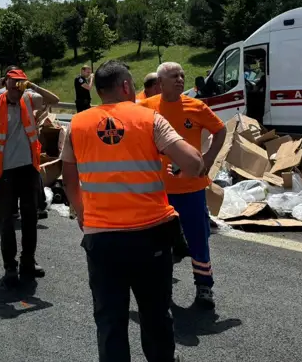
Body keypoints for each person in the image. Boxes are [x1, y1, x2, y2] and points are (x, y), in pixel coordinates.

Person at [63, 60, 204, 362]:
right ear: (127, 86)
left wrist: (80, 210)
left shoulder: (77, 124)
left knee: (110, 320)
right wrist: (181, 168)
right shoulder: (150, 119)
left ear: (99, 90)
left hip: (101, 238)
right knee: (154, 315)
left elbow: (68, 172)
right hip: (149, 235)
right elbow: (193, 163)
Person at [139, 62, 227, 310]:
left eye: (182, 75)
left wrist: (207, 161)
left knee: (198, 239)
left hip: (191, 189)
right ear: (160, 83)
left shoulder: (196, 106)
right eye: (174, 76)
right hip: (158, 191)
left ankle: (204, 286)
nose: (180, 79)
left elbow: (220, 131)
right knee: (157, 243)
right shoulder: (146, 108)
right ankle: (160, 286)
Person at [0, 67, 59, 287]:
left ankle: (28, 262)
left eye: (20, 82)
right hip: (4, 171)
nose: (17, 87)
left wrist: (32, 85)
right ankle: (10, 266)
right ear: (5, 83)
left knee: (30, 218)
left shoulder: (29, 99)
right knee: (6, 220)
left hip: (28, 169)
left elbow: (56, 100)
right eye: (13, 82)